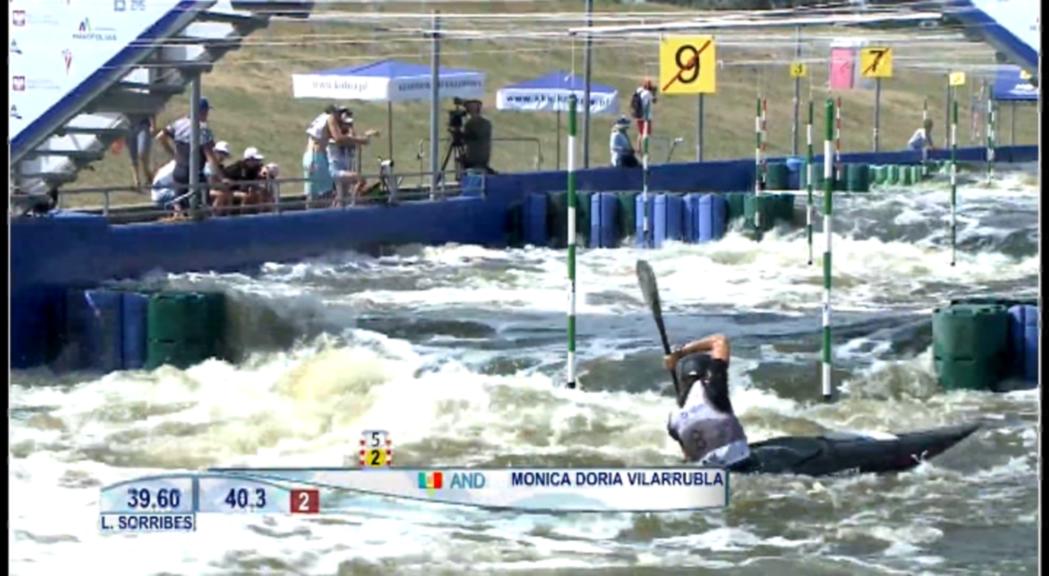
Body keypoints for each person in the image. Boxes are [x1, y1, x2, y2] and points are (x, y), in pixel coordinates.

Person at [662, 333, 751, 467]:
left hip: (710, 473)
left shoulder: (673, 420)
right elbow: (719, 340)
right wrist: (680, 353)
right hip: (742, 463)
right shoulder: (712, 386)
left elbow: (688, 456)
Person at [155, 98, 228, 213]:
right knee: (203, 207)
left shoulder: (178, 123)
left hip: (179, 171)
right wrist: (221, 177)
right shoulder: (203, 130)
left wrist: (172, 153)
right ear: (202, 112)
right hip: (194, 175)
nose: (207, 115)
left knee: (180, 206)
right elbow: (210, 157)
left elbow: (160, 136)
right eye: (206, 112)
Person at [328, 109, 378, 208]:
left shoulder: (348, 137)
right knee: (361, 179)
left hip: (344, 170)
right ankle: (353, 203)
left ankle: (337, 209)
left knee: (341, 197)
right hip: (336, 171)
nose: (348, 126)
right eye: (346, 124)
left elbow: (355, 139)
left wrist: (366, 135)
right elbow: (346, 140)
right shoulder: (335, 138)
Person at [221, 146, 267, 214]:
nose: (258, 162)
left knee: (263, 193)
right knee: (246, 196)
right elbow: (225, 180)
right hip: (232, 191)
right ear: (249, 160)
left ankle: (263, 215)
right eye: (256, 160)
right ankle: (242, 216)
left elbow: (263, 171)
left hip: (245, 190)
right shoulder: (235, 168)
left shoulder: (256, 168)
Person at [462, 99, 494, 174]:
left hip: (478, 160)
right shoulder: (468, 123)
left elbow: (474, 136)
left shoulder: (483, 123)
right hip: (472, 159)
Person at [125, 114, 155, 194]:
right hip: (127, 126)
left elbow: (150, 108)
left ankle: (149, 176)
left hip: (143, 124)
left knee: (143, 153)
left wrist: (153, 124)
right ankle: (137, 182)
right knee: (132, 156)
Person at [631, 79, 657, 151]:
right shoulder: (648, 94)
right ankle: (645, 149)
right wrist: (654, 93)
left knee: (640, 133)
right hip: (646, 116)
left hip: (638, 115)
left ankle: (638, 147)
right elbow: (654, 100)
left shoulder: (639, 91)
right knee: (647, 133)